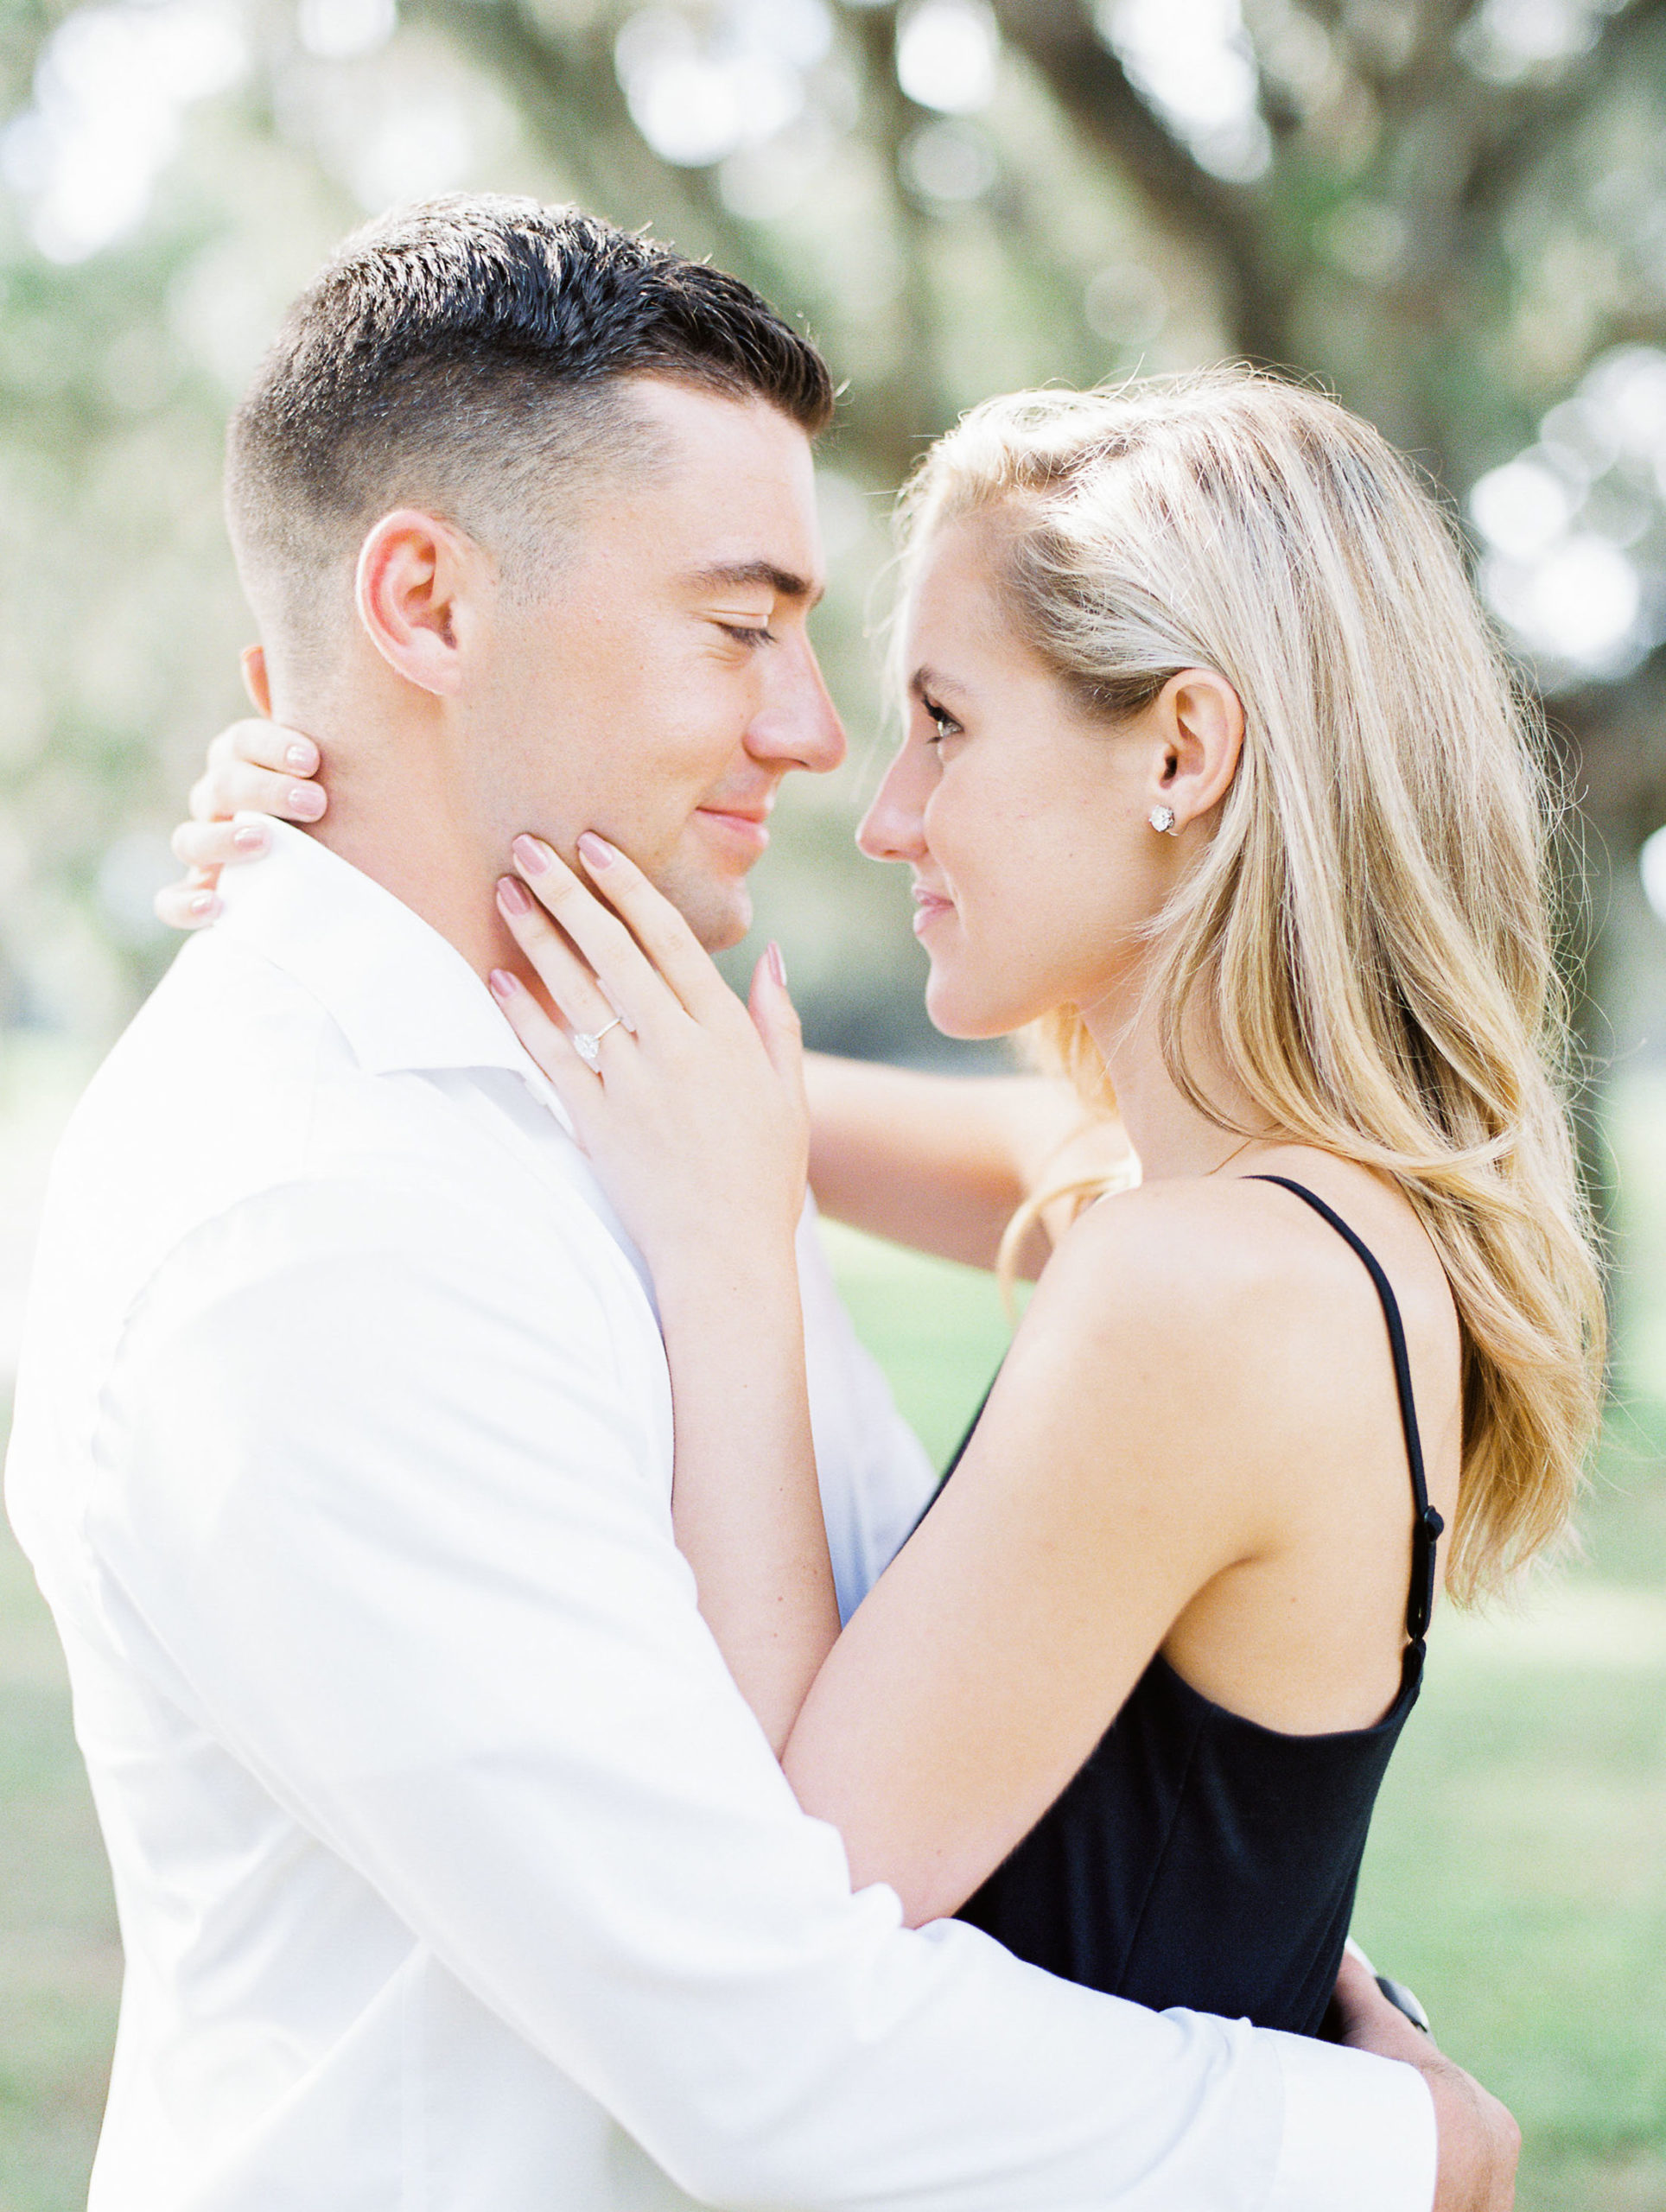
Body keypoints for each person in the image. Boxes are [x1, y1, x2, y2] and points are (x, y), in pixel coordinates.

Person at [6, 195, 1514, 2212]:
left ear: (1186, 754)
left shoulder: (680, 1121)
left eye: (926, 711)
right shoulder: (316, 1237)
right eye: (742, 626)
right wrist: (1383, 2131)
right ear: (429, 608)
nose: (829, 757)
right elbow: (781, 2033)